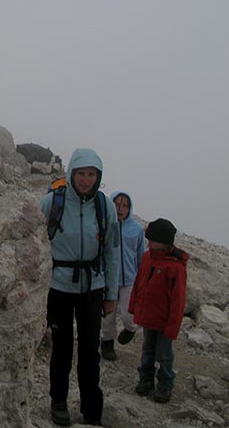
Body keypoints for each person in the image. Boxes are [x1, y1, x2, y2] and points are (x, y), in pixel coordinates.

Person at [40, 148, 120, 427]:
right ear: (71, 173)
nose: (86, 180)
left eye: (91, 174)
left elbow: (112, 251)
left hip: (92, 287)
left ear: (98, 177)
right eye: (81, 173)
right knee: (61, 348)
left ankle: (91, 409)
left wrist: (111, 295)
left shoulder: (105, 206)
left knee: (89, 351)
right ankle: (58, 401)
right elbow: (35, 246)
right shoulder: (51, 203)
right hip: (58, 286)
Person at [128, 218, 188, 403]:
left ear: (164, 242)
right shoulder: (148, 257)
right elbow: (139, 282)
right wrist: (133, 306)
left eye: (152, 240)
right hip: (148, 316)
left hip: (164, 321)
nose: (149, 243)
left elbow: (178, 300)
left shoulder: (175, 267)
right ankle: (146, 380)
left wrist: (173, 326)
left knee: (164, 354)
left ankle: (165, 384)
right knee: (147, 349)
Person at [100, 191, 146, 361]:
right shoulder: (104, 224)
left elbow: (141, 256)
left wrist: (142, 279)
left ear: (130, 208)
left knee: (129, 314)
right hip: (107, 279)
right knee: (108, 316)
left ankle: (130, 329)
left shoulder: (136, 229)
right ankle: (107, 343)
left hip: (130, 280)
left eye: (125, 205)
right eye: (117, 204)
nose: (121, 208)